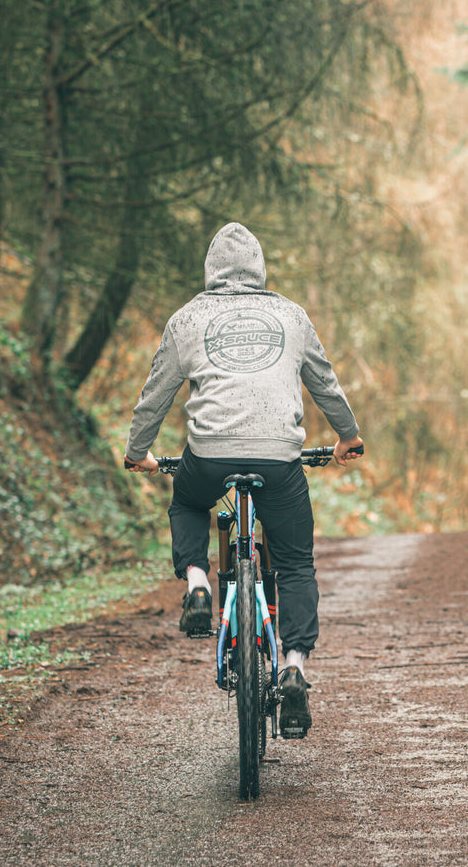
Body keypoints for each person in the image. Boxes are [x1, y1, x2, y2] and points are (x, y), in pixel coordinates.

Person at [122, 221, 364, 738]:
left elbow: (155, 396)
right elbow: (325, 384)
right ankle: (294, 666)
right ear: (259, 269)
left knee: (189, 503)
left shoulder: (188, 318)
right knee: (295, 564)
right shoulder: (291, 315)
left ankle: (198, 584)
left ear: (211, 270)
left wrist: (138, 453)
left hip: (209, 455)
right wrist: (347, 436)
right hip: (280, 458)